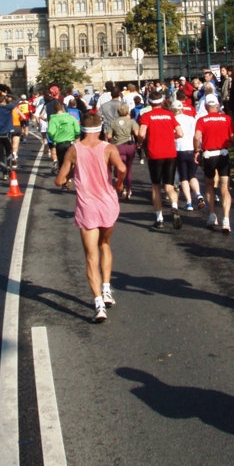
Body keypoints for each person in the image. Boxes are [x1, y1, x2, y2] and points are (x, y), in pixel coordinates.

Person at [55, 112, 126, 323]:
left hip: (87, 206)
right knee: (105, 245)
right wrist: (119, 184)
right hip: (108, 204)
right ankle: (107, 290)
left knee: (90, 256)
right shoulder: (109, 148)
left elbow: (59, 181)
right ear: (100, 127)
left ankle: (98, 305)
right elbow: (121, 168)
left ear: (81, 127)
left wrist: (71, 173)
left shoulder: (73, 150)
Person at [138, 92, 184, 230]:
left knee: (156, 186)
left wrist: (140, 143)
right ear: (162, 101)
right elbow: (181, 133)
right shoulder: (169, 115)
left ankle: (159, 218)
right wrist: (171, 136)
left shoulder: (146, 116)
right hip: (170, 153)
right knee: (169, 186)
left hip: (155, 153)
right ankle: (174, 207)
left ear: (149, 102)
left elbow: (141, 133)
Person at [194, 96, 234, 232]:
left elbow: (196, 137)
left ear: (206, 107)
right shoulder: (227, 119)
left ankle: (212, 216)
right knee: (225, 186)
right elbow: (233, 137)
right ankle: (226, 220)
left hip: (209, 155)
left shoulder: (202, 120)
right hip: (223, 153)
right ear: (218, 106)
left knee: (209, 185)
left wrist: (196, 150)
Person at [171, 99, 205, 212]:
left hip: (180, 149)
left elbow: (174, 134)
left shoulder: (173, 119)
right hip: (192, 148)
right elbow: (197, 134)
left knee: (183, 178)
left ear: (173, 109)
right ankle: (199, 195)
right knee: (192, 176)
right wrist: (198, 149)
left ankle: (189, 203)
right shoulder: (191, 119)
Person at [106, 103, 139, 200]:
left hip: (118, 147)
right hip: (129, 146)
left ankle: (121, 186)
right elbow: (137, 133)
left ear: (118, 112)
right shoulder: (131, 122)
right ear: (127, 112)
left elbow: (109, 136)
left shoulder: (114, 122)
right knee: (128, 169)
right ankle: (128, 189)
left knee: (120, 169)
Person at [47, 102, 81, 189]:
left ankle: (64, 182)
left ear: (54, 110)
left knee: (62, 163)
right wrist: (74, 135)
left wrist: (54, 137)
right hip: (70, 143)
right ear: (62, 108)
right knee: (72, 162)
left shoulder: (53, 119)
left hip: (59, 144)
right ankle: (72, 179)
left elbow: (51, 131)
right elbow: (77, 129)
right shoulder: (71, 118)